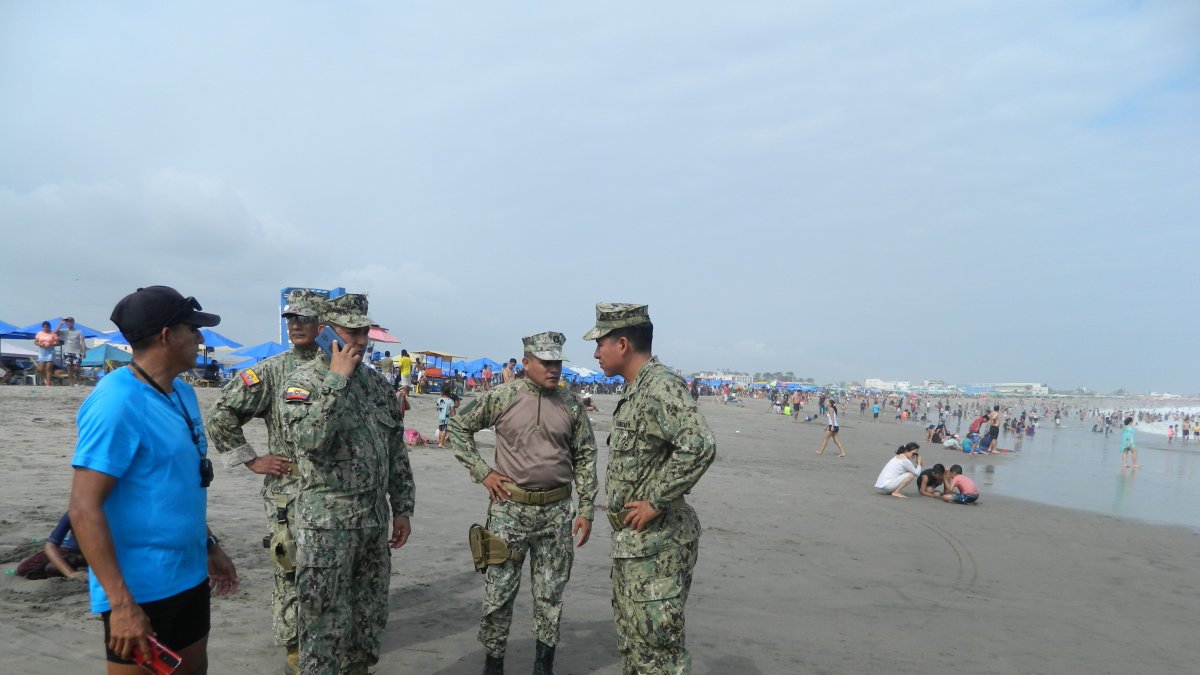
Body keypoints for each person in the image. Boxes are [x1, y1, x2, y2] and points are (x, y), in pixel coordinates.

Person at [67, 285, 237, 674]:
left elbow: (175, 483)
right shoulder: (117, 402)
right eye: (192, 329)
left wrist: (209, 545)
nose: (200, 338)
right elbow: (83, 507)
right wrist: (122, 605)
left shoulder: (182, 393)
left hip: (190, 576)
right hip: (140, 590)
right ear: (166, 335)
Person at [449, 331, 598, 675]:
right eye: (545, 362)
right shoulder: (503, 396)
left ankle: (543, 666)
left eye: (557, 361)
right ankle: (493, 664)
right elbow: (458, 427)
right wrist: (482, 472)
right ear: (526, 363)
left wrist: (587, 507)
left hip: (556, 513)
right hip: (509, 511)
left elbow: (586, 455)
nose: (553, 368)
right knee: (498, 593)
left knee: (550, 594)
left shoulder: (572, 404)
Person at [586, 303, 716, 674]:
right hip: (637, 547)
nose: (596, 353)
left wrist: (656, 502)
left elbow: (700, 444)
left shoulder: (659, 386)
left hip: (658, 548)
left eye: (600, 344)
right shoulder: (637, 389)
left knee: (658, 657)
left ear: (623, 343)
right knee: (636, 649)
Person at [291, 293, 416, 674]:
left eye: (364, 330)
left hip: (373, 523)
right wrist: (337, 381)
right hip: (327, 527)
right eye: (351, 331)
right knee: (323, 625)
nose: (360, 340)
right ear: (326, 331)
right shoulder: (304, 383)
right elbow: (310, 441)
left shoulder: (378, 386)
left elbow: (396, 451)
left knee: (368, 620)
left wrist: (404, 508)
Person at [206, 289, 325, 674]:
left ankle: (326, 637)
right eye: (290, 319)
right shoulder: (273, 370)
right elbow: (222, 413)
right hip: (288, 494)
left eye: (304, 319)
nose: (295, 325)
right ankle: (293, 645)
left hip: (334, 495)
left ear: (321, 325)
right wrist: (251, 459)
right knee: (289, 565)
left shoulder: (341, 370)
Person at [15, 512, 89, 580]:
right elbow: (50, 545)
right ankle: (80, 570)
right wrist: (71, 573)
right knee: (24, 570)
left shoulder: (98, 511)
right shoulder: (74, 512)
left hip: (92, 554)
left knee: (52, 568)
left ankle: (86, 571)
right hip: (71, 550)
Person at [57, 317, 88, 386]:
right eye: (67, 322)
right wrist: (61, 324)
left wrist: (84, 351)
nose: (68, 323)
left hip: (77, 351)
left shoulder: (79, 331)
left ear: (73, 322)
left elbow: (82, 342)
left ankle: (78, 380)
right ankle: (71, 383)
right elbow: (55, 333)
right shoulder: (64, 331)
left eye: (70, 322)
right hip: (67, 351)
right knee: (69, 367)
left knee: (77, 368)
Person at [34, 320, 59, 386]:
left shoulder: (53, 334)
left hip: (50, 351)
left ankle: (48, 383)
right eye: (44, 327)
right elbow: (35, 342)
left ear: (50, 327)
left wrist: (51, 344)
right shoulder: (39, 333)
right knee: (41, 368)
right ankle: (46, 378)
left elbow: (57, 342)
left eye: (47, 327)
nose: (46, 328)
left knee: (49, 367)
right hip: (42, 351)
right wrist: (41, 345)